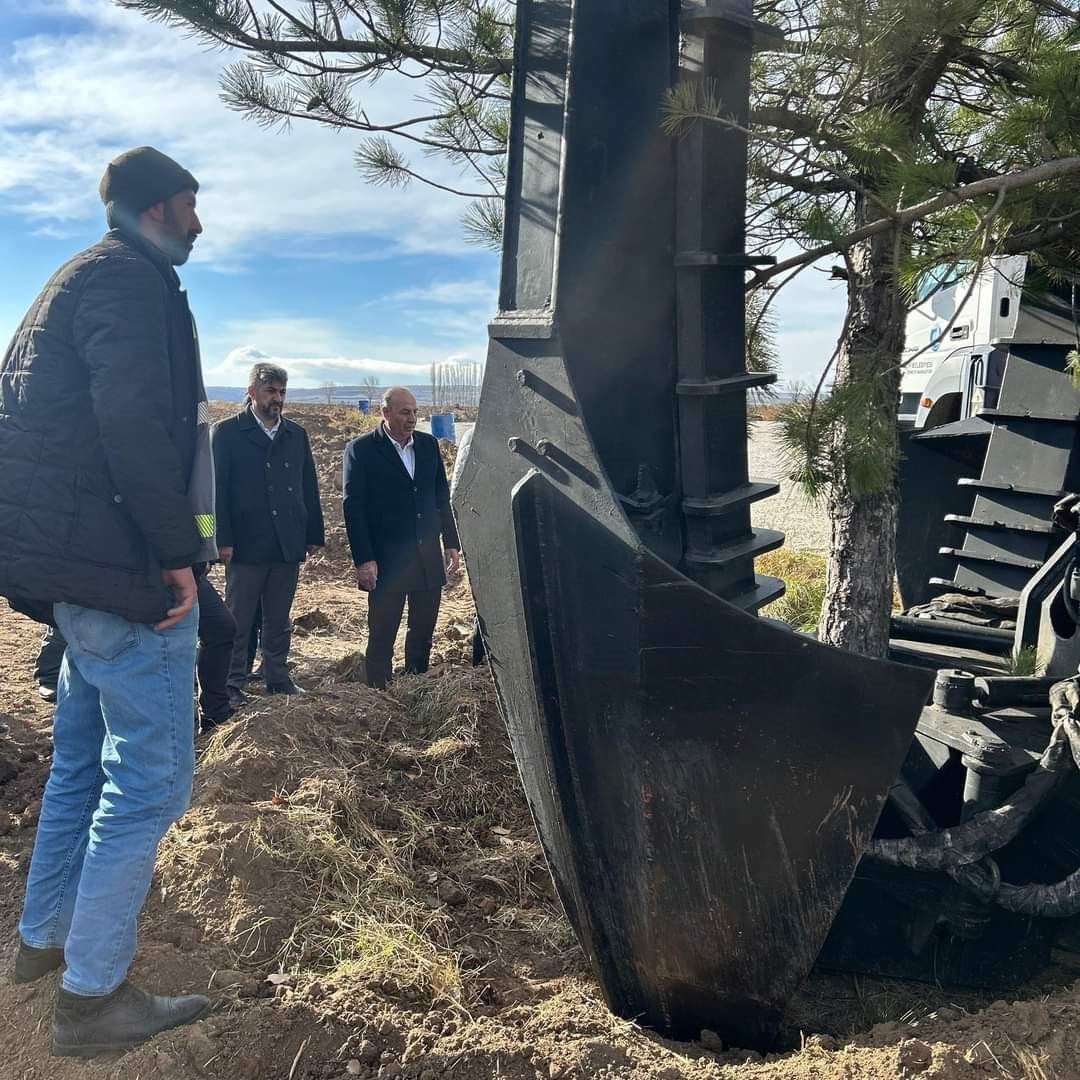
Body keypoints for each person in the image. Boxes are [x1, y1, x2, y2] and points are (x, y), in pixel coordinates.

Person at [0, 146, 215, 1055]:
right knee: (153, 783)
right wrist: (178, 555)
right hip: (119, 575)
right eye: (192, 205)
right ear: (158, 207)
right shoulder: (130, 283)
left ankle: (42, 942)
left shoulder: (71, 280)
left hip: (70, 571)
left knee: (83, 762)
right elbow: (132, 422)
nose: (201, 222)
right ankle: (92, 1000)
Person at [212, 364, 324, 704]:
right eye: (270, 391)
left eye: (281, 392)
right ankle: (231, 685)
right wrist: (222, 539)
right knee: (239, 619)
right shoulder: (228, 433)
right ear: (252, 393)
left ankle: (277, 676)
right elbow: (217, 491)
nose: (277, 398)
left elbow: (308, 486)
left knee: (278, 618)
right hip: (246, 546)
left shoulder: (295, 435)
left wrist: (313, 531)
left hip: (285, 543)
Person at [343, 387, 461, 688]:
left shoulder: (428, 445)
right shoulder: (362, 450)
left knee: (423, 628)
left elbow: (440, 497)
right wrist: (364, 559)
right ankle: (378, 691)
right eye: (404, 412)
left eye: (415, 412)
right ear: (386, 413)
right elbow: (353, 508)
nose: (412, 419)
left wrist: (451, 543)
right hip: (387, 560)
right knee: (382, 631)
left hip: (426, 557)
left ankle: (415, 684)